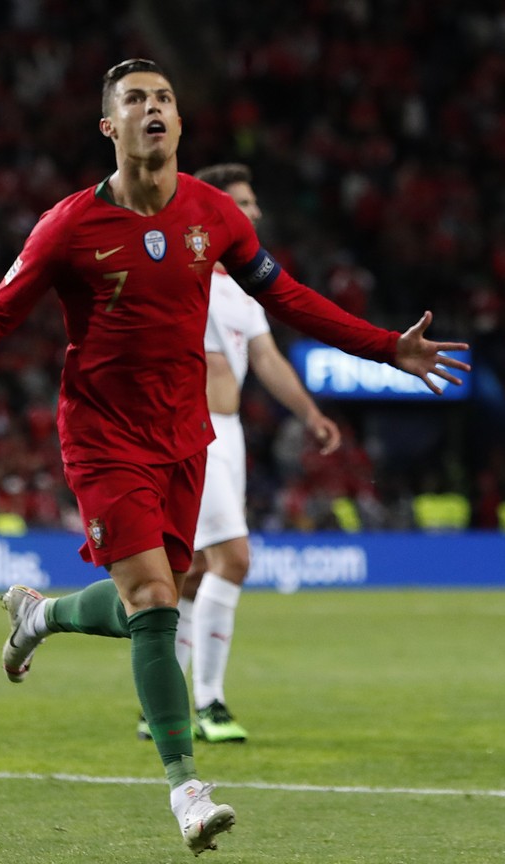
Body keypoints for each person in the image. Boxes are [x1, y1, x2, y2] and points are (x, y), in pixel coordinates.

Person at [0, 58, 469, 855]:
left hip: (185, 437)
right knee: (154, 599)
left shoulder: (215, 216)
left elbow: (285, 297)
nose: (153, 108)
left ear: (179, 124)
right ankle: (187, 788)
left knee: (158, 598)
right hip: (103, 436)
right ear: (110, 129)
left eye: (164, 99)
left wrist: (385, 347)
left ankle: (40, 614)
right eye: (135, 101)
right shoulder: (68, 226)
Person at [135, 162, 343, 745]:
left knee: (197, 571)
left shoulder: (245, 291)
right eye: (242, 204)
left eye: (253, 204)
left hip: (231, 437)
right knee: (234, 559)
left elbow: (269, 360)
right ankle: (208, 704)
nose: (253, 213)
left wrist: (309, 413)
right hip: (191, 432)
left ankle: (159, 700)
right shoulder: (183, 276)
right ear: (213, 212)